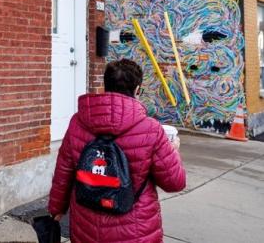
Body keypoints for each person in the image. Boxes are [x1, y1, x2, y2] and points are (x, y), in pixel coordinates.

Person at [48, 59, 186, 243]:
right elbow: (175, 183)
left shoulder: (77, 122)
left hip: (85, 225)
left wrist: (57, 209)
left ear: (106, 86)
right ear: (137, 89)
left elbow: (63, 172)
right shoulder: (151, 129)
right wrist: (173, 150)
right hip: (135, 230)